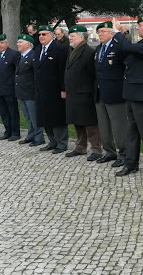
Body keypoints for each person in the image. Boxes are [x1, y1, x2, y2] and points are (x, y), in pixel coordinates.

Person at [111, 14, 143, 181]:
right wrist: (121, 37)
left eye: (139, 25)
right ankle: (131, 163)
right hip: (133, 92)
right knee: (132, 131)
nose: (137, 28)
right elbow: (125, 52)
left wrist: (118, 33)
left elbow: (131, 49)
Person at [93, 21, 128, 167]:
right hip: (100, 93)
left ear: (112, 33)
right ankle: (109, 151)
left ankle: (124, 154)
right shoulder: (98, 48)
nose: (100, 34)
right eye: (99, 32)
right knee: (104, 126)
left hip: (115, 93)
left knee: (119, 126)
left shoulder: (118, 47)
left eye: (103, 31)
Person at [64, 25, 102, 160]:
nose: (70, 38)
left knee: (90, 123)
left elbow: (93, 75)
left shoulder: (87, 52)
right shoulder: (72, 50)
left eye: (72, 36)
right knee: (77, 122)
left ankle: (96, 149)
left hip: (84, 93)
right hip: (73, 93)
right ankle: (80, 147)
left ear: (81, 37)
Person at [33, 25, 69, 154]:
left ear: (51, 35)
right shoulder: (37, 50)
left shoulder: (60, 49)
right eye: (40, 34)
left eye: (44, 34)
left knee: (57, 117)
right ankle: (52, 141)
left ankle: (62, 142)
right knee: (45, 117)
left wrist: (64, 89)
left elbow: (63, 71)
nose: (41, 36)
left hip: (55, 90)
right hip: (41, 90)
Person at [15, 34, 44, 146]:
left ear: (28, 44)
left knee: (34, 116)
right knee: (28, 116)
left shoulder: (33, 56)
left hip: (30, 91)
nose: (18, 44)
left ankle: (39, 137)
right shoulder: (21, 56)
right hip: (22, 91)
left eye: (20, 42)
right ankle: (31, 135)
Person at [0, 34, 21, 141]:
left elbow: (16, 71)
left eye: (2, 43)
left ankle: (15, 132)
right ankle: (7, 131)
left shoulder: (13, 54)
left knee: (12, 111)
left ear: (7, 43)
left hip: (9, 88)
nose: (0, 45)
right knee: (3, 112)